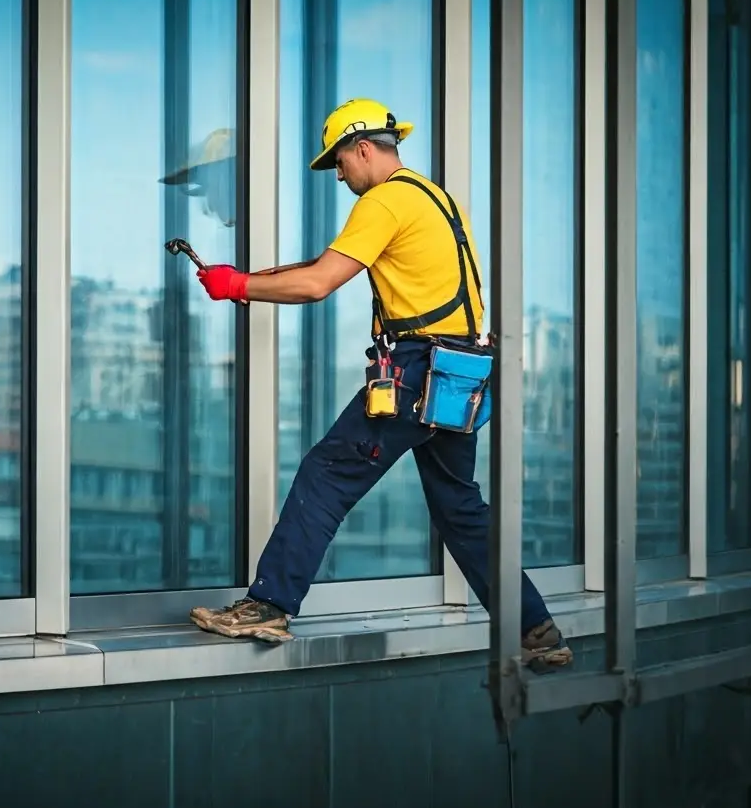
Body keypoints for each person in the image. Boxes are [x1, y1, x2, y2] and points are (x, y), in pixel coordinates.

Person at [186, 98, 573, 671]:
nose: (338, 174)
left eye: (338, 161)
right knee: (459, 505)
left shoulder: (384, 200)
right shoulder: (430, 195)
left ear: (363, 149)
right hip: (459, 373)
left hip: (418, 369)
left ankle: (268, 604)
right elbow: (328, 261)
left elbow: (320, 283)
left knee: (328, 472)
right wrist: (250, 276)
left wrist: (238, 288)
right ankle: (535, 629)